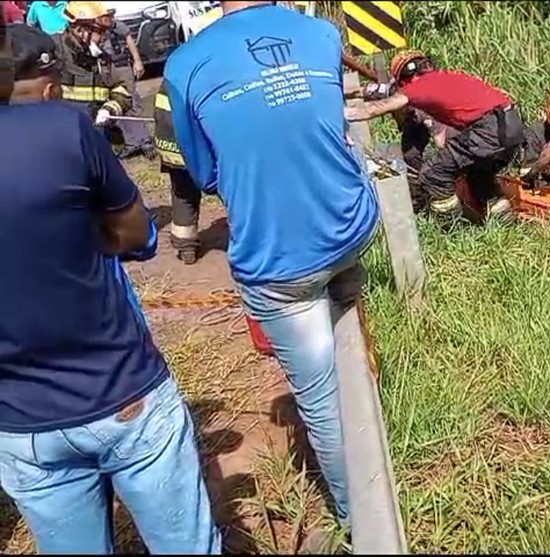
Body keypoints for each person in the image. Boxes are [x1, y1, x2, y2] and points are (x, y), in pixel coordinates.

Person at [0, 23, 221, 554]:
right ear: (49, 83)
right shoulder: (64, 130)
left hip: (21, 424)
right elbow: (136, 233)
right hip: (119, 393)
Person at [164, 0, 380, 528]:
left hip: (279, 259)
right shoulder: (320, 34)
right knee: (346, 327)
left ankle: (363, 522)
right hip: (352, 226)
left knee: (322, 397)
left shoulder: (185, 64)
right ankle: (372, 409)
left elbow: (204, 173)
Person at [345, 49, 525, 225]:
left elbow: (374, 109)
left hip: (487, 131)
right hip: (512, 125)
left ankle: (453, 228)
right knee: (479, 175)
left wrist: (335, 113)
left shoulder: (416, 88)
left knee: (433, 174)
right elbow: (377, 90)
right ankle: (505, 221)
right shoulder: (448, 77)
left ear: (404, 79)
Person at [152, 5, 224, 265]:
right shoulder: (209, 67)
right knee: (232, 185)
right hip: (191, 141)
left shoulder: (180, 62)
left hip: (170, 142)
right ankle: (247, 235)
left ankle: (186, 246)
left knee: (183, 192)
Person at [49, 1, 131, 125]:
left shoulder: (103, 59)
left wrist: (109, 110)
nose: (105, 37)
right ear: (80, 30)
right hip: (63, 129)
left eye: (106, 31)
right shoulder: (53, 50)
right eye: (100, 31)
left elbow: (122, 91)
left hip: (94, 132)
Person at [98, 7, 152, 158]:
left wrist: (137, 61)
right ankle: (131, 142)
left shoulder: (116, 26)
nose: (109, 18)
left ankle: (145, 141)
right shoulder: (93, 29)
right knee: (116, 105)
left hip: (121, 66)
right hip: (105, 68)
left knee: (132, 103)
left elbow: (128, 38)